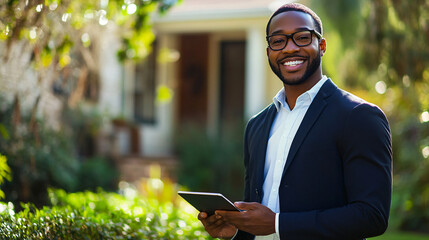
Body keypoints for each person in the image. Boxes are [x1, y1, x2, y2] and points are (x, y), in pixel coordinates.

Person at [198, 3, 392, 240]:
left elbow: (372, 215)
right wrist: (236, 230)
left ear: (321, 46)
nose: (289, 48)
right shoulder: (256, 125)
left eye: (301, 37)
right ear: (269, 52)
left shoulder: (358, 116)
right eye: (278, 41)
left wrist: (278, 224)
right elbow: (257, 212)